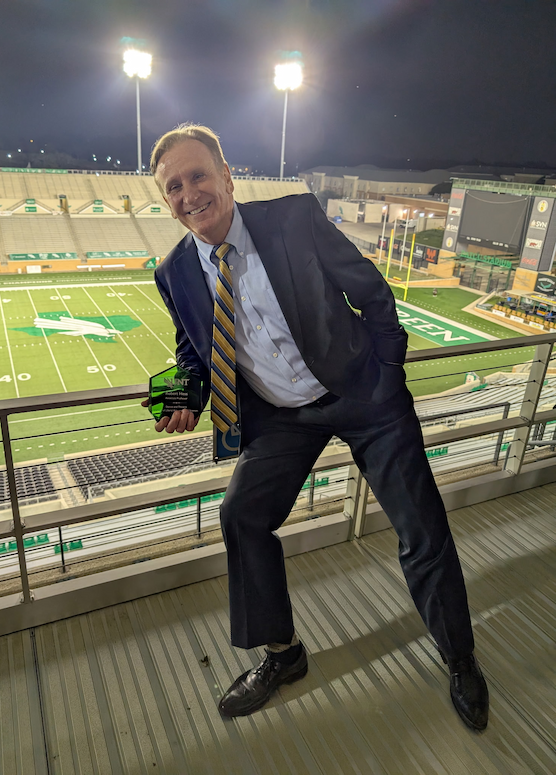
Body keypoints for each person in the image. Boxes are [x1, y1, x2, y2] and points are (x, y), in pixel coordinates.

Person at [147, 123, 489, 731]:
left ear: (227, 177)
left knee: (420, 526)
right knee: (241, 516)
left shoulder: (294, 218)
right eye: (173, 186)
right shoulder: (174, 271)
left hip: (363, 395)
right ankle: (283, 655)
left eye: (198, 175)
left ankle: (460, 656)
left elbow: (373, 293)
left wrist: (386, 372)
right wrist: (177, 397)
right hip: (282, 417)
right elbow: (192, 354)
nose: (189, 192)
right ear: (165, 199)